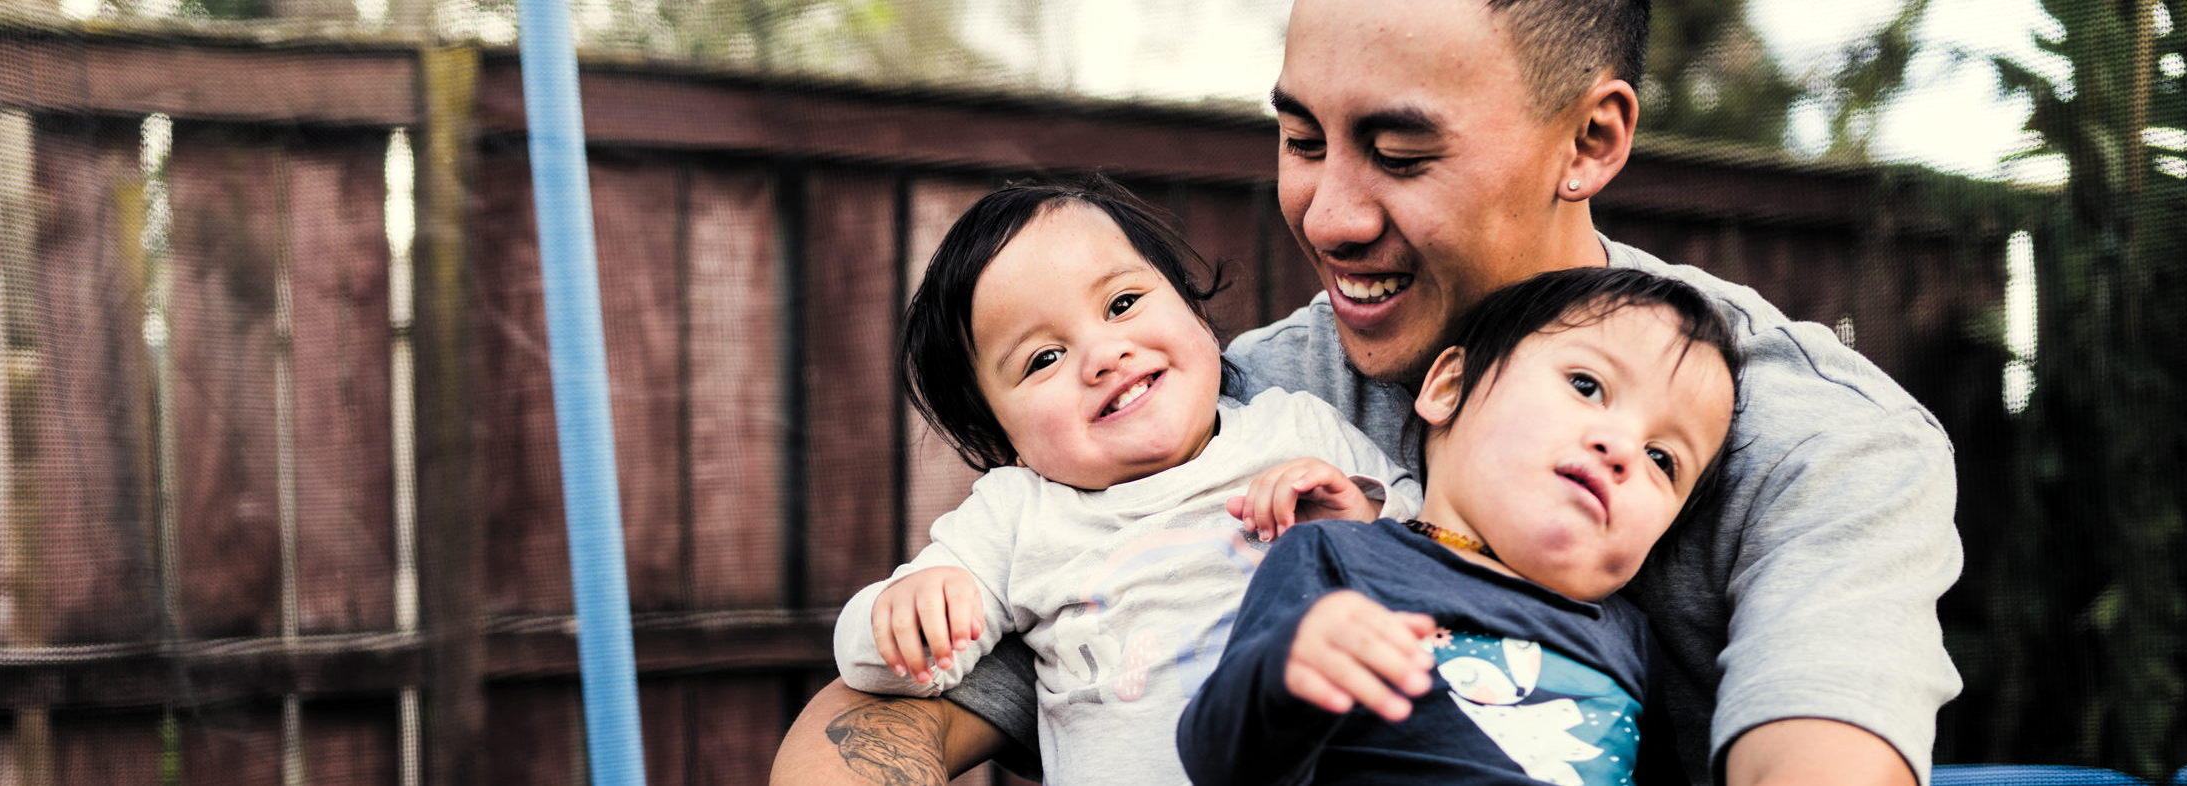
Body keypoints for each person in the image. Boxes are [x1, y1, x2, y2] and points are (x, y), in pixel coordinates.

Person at [772, 0, 1962, 782]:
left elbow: (1817, 755)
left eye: (1400, 154)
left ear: (1590, 141)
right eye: (1300, 140)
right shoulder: (1251, 408)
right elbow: (878, 722)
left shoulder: (1817, 442)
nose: (1329, 216)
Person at [831, 178, 1422, 784]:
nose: (1104, 356)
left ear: (1191, 305)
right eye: (1043, 359)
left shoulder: (1296, 428)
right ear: (1005, 441)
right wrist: (901, 614)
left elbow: (1441, 555)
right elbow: (873, 667)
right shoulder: (1016, 514)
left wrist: (1363, 525)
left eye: (1121, 304)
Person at [1176, 266, 1740, 785]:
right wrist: (1284, 669)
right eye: (1587, 386)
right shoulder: (1338, 555)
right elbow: (1218, 762)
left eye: (1662, 459)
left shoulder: (1629, 640)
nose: (1621, 449)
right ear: (1450, 386)